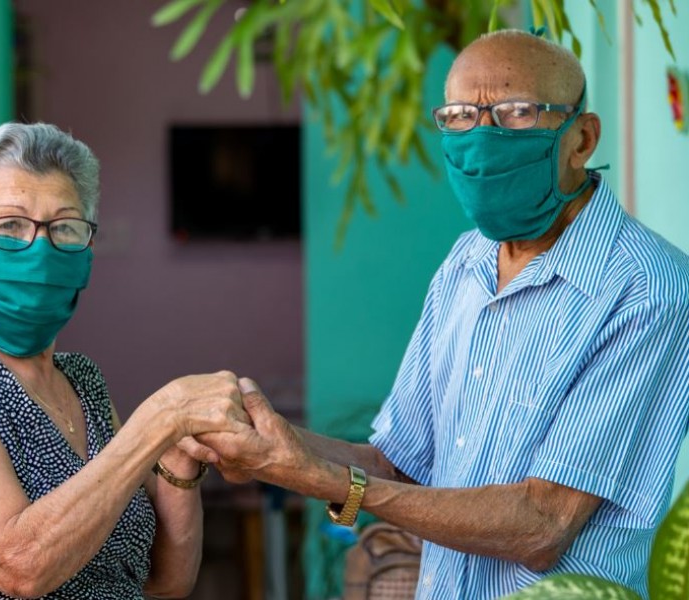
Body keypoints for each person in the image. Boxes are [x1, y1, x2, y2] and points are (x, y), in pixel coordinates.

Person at [184, 30, 689, 599]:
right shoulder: (464, 261)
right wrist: (272, 446)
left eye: (517, 112)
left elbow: (544, 524)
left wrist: (329, 481)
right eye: (458, 116)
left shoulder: (648, 288)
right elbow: (400, 464)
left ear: (582, 138)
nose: (482, 138)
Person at [0, 122, 252, 599]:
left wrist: (177, 459)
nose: (40, 250)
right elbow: (22, 566)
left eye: (63, 227)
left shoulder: (83, 381)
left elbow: (163, 584)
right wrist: (158, 422)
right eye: (10, 228)